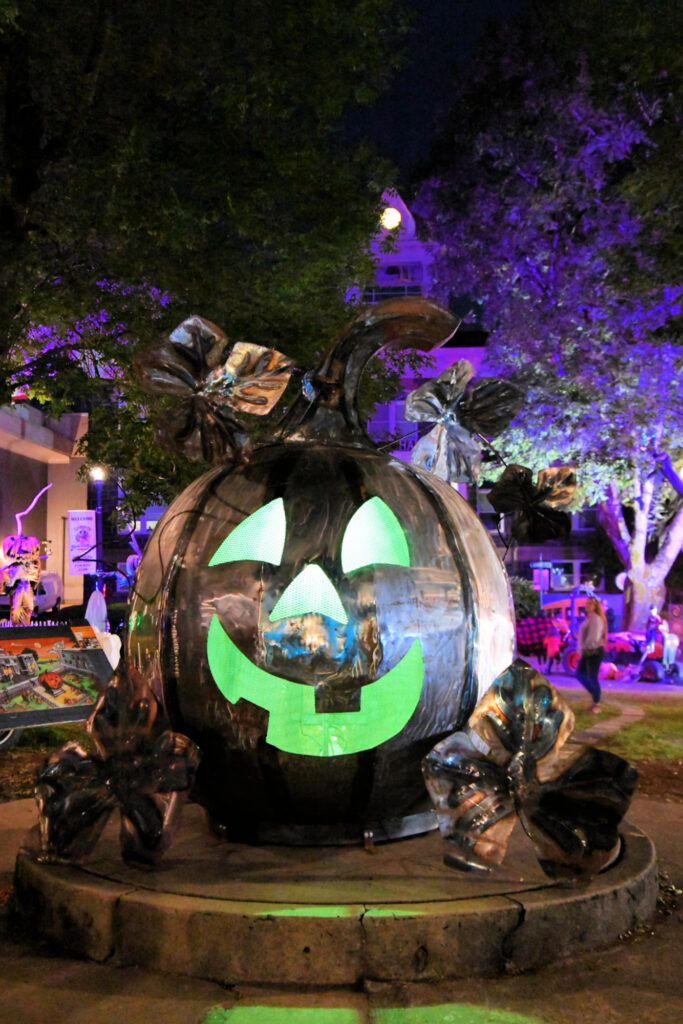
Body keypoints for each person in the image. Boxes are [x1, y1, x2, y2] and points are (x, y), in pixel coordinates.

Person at [576, 596, 607, 712]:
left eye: (590, 604)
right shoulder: (589, 618)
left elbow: (593, 636)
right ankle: (595, 696)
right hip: (587, 651)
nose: (587, 605)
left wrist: (585, 647)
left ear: (595, 606)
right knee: (580, 674)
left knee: (591, 677)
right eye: (587, 603)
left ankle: (596, 702)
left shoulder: (596, 619)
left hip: (594, 651)